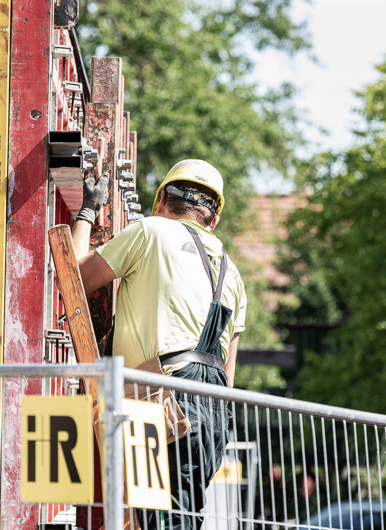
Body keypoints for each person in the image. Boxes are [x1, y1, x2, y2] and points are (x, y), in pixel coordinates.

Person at [71, 159, 247, 530]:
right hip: (212, 413)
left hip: (155, 402)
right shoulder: (232, 271)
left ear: (162, 199)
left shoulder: (151, 231)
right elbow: (228, 366)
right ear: (212, 219)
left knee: (159, 518)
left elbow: (75, 280)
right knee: (175, 517)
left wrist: (87, 211)